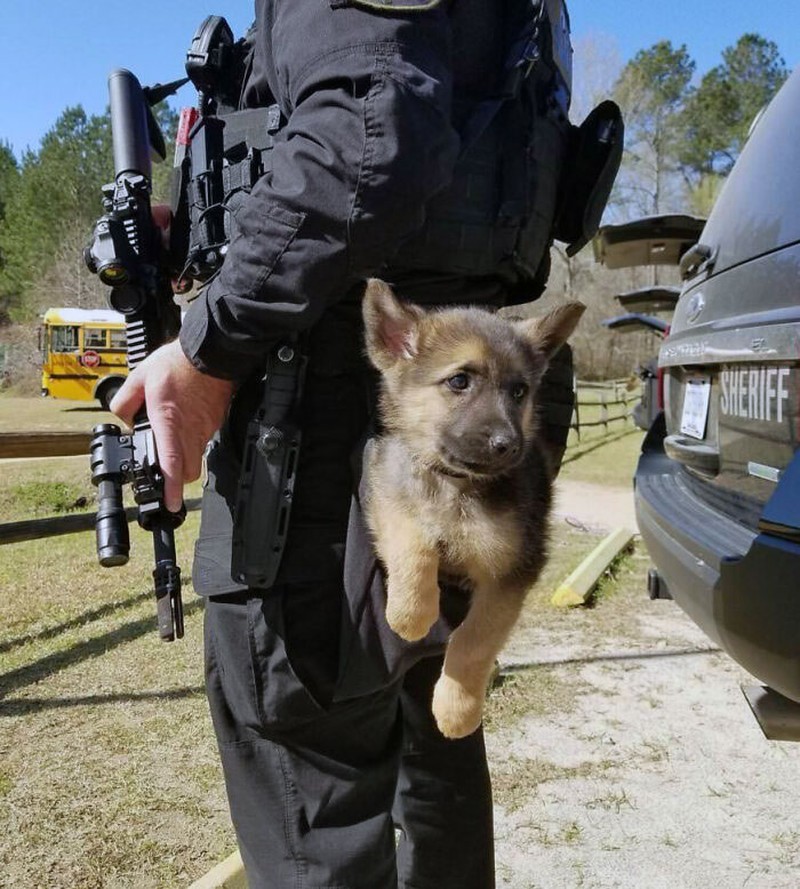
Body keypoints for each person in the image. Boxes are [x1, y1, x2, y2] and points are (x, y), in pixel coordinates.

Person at [111, 1, 611, 886]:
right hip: (476, 396)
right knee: (437, 748)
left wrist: (210, 344)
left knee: (316, 773)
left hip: (354, 410)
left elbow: (376, 136)